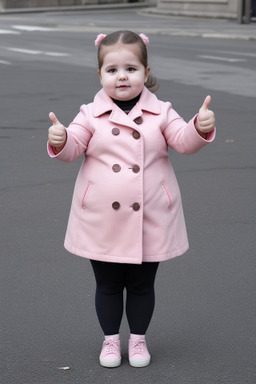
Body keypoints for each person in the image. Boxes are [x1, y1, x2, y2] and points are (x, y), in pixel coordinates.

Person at [47, 30, 215, 369]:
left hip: (150, 213)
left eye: (131, 68)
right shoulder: (90, 113)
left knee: (141, 285)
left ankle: (137, 340)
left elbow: (183, 141)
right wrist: (61, 138)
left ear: (146, 71)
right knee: (107, 284)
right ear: (100, 75)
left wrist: (200, 126)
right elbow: (73, 147)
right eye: (112, 70)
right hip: (101, 217)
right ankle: (111, 341)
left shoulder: (162, 111)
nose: (121, 76)